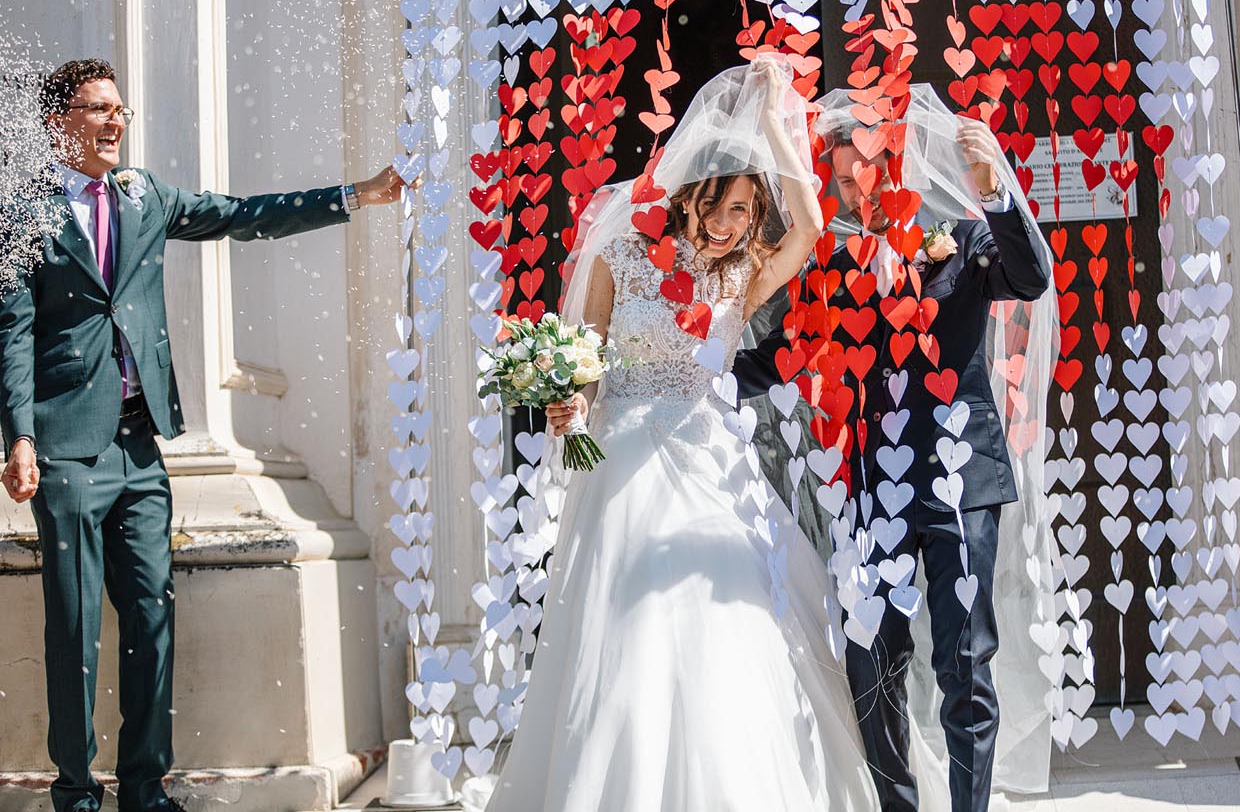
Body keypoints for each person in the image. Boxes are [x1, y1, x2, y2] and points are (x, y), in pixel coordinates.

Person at [0, 59, 417, 812]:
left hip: (139, 446)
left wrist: (354, 196)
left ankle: (144, 790)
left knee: (153, 618)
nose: (115, 121)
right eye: (98, 109)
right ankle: (73, 794)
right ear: (61, 123)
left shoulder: (145, 194)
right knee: (72, 632)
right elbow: (14, 329)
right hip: (65, 448)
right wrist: (19, 437)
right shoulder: (26, 211)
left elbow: (239, 214)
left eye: (120, 108)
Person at [485, 56, 878, 811]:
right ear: (689, 194)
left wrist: (772, 128)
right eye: (720, 208)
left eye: (744, 211)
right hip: (624, 463)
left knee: (728, 623)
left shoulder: (740, 276)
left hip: (709, 464)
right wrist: (570, 414)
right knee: (629, 633)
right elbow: (586, 363)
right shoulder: (619, 256)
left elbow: (811, 226)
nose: (731, 227)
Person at [734, 86, 1057, 812]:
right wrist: (691, 375)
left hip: (960, 479)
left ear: (896, 164)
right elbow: (787, 354)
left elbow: (1032, 278)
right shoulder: (837, 265)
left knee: (965, 661)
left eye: (865, 175)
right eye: (842, 180)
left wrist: (995, 194)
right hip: (874, 486)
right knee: (868, 656)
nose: (857, 191)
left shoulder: (966, 238)